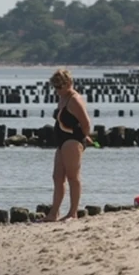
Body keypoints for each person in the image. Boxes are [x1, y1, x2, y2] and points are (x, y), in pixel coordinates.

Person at [45, 68, 93, 222]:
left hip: (73, 140)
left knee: (73, 176)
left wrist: (84, 137)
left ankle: (73, 213)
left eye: (60, 86)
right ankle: (54, 213)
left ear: (69, 83)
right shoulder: (62, 97)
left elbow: (86, 123)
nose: (57, 90)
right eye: (55, 87)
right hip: (61, 140)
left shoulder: (74, 99)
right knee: (57, 176)